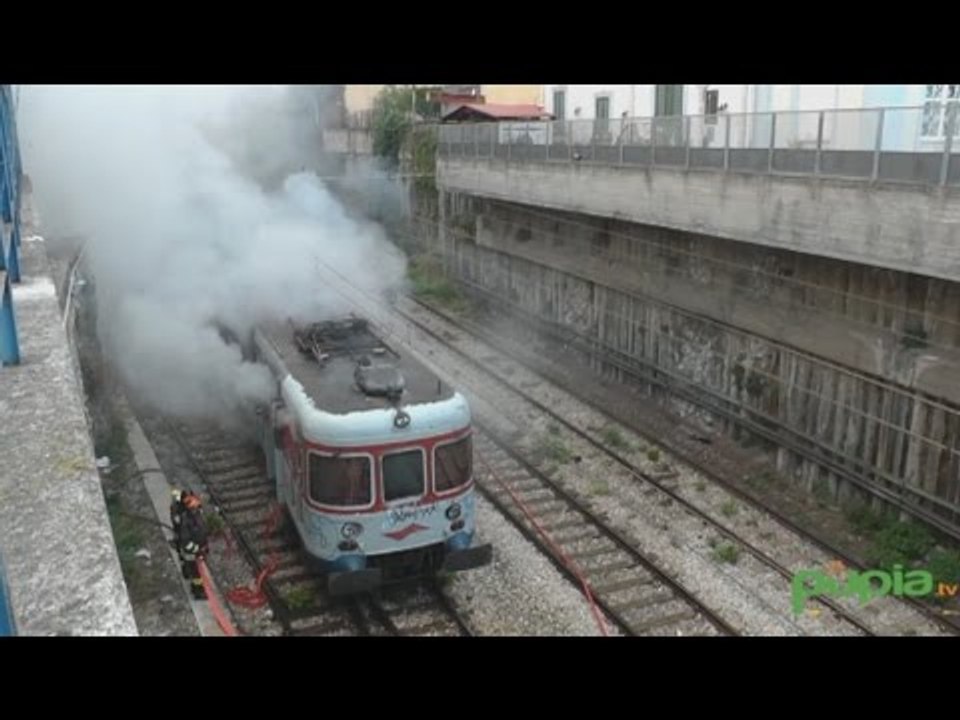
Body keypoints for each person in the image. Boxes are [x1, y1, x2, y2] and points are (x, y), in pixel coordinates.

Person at [170, 489, 209, 600]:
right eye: (195, 508)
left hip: (196, 549)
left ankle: (191, 577)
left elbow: (202, 531)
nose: (197, 509)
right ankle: (198, 592)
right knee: (196, 574)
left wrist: (204, 546)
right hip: (190, 552)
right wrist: (197, 550)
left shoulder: (195, 516)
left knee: (194, 570)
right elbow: (186, 541)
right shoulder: (185, 521)